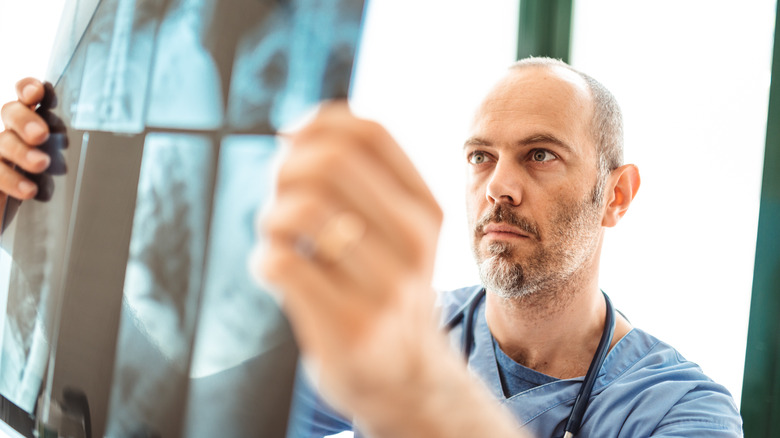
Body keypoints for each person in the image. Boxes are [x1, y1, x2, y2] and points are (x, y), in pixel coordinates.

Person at [0, 58, 743, 437]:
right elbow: (190, 413)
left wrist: (416, 393)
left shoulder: (678, 407)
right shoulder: (411, 329)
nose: (499, 188)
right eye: (481, 157)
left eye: (540, 155)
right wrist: (28, 228)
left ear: (615, 195)